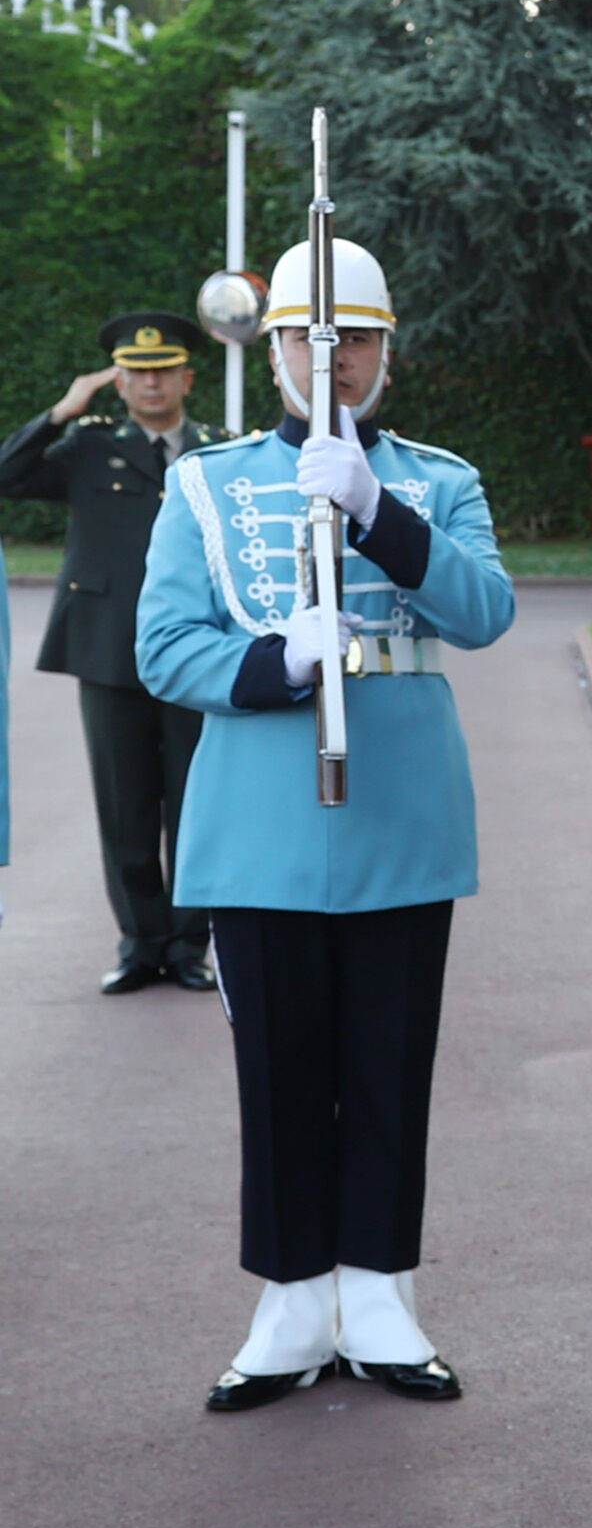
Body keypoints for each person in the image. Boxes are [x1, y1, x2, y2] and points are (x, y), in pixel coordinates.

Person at [136, 237, 517, 1414]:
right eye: (310, 337)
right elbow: (163, 646)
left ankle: (382, 1294)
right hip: (263, 826)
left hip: (400, 819)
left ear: (386, 349)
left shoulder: (439, 480)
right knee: (282, 1073)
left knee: (390, 1067)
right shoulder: (207, 483)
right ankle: (293, 1300)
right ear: (273, 353)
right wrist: (273, 660)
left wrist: (376, 511)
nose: (333, 356)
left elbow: (485, 610)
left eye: (355, 336)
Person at [0, 313, 221, 992]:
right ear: (118, 382)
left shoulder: (216, 451)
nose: (151, 383)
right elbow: (6, 474)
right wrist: (60, 413)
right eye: (137, 372)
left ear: (186, 378)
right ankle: (141, 944)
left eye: (164, 371)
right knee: (124, 805)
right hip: (107, 649)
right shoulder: (87, 447)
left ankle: (190, 947)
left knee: (197, 803)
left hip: (196, 652)